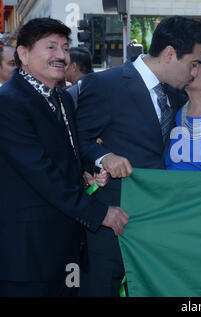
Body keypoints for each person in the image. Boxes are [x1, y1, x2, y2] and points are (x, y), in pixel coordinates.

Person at [76, 16, 201, 296]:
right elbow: (78, 140)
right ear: (170, 54)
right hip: (113, 223)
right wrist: (104, 157)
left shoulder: (174, 95)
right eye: (194, 63)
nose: (194, 72)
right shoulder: (104, 84)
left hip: (156, 225)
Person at [0, 18, 128, 297]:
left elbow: (64, 153)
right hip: (27, 253)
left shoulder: (62, 98)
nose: (61, 55)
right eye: (51, 47)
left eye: (65, 47)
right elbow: (40, 172)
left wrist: (87, 171)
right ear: (23, 54)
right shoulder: (8, 103)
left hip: (66, 246)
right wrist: (100, 212)